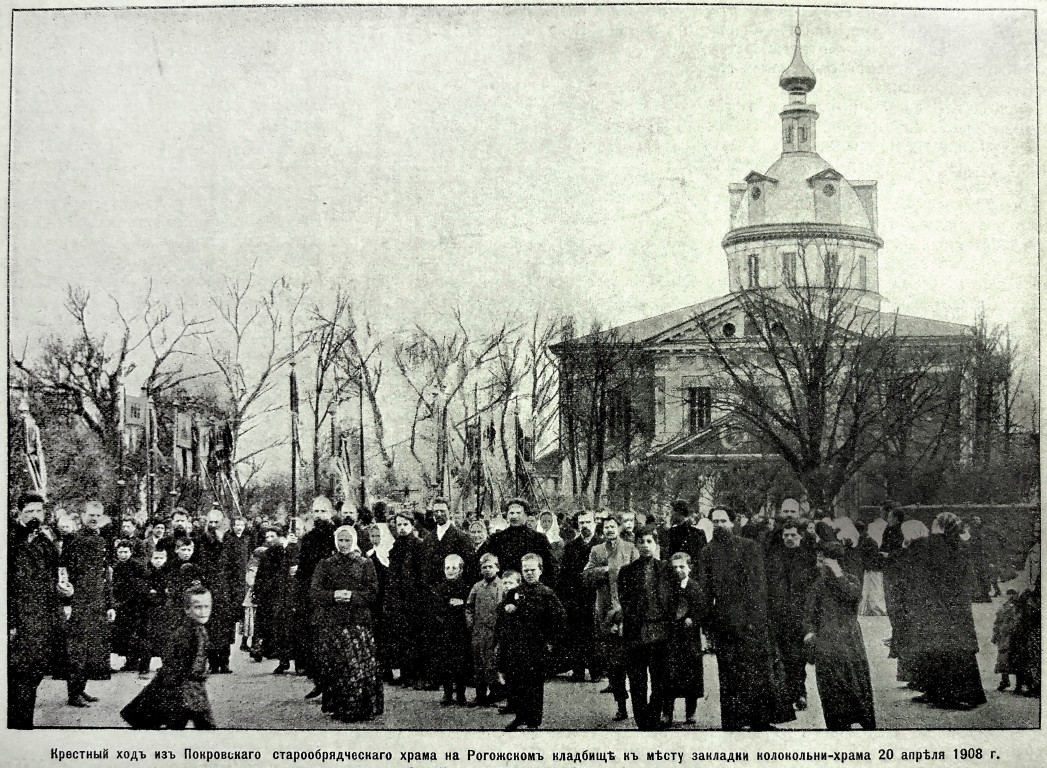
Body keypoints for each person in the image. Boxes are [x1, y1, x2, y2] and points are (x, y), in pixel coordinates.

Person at [696, 508, 793, 731]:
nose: (719, 525)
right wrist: (709, 626)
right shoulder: (707, 552)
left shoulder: (749, 547)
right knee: (729, 674)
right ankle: (733, 722)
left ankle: (761, 720)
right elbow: (705, 591)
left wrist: (756, 621)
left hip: (752, 622)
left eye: (723, 521)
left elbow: (759, 587)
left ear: (733, 523)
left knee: (757, 671)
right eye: (715, 521)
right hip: (725, 624)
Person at [9, 491, 73, 728]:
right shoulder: (10, 538)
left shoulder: (46, 541)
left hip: (44, 618)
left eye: (39, 511)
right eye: (30, 511)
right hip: (20, 618)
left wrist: (65, 590)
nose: (36, 516)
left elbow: (56, 575)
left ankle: (22, 724)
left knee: (33, 673)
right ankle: (18, 727)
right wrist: (11, 623)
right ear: (19, 512)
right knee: (20, 675)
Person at [910, 512, 986, 710]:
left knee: (943, 647)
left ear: (942, 527)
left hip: (942, 604)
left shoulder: (938, 544)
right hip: (954, 605)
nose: (932, 524)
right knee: (949, 647)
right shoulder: (958, 544)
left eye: (935, 522)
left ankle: (948, 694)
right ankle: (939, 691)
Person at [310, 525, 384, 722]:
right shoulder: (326, 564)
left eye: (347, 540)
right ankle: (340, 706)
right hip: (334, 622)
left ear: (354, 541)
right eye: (340, 541)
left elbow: (373, 593)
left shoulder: (365, 563)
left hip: (358, 623)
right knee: (338, 666)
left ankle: (361, 708)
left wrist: (352, 596)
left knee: (359, 667)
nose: (344, 544)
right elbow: (315, 592)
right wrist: (333, 595)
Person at [120, 585, 216, 729]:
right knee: (197, 724)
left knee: (191, 723)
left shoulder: (198, 629)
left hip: (191, 687)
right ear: (187, 609)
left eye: (207, 606)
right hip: (185, 689)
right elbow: (174, 663)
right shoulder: (185, 633)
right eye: (197, 607)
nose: (203, 612)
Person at [803, 542, 875, 730]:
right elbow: (809, 613)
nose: (821, 566)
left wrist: (838, 573)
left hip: (849, 640)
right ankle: (837, 727)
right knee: (830, 687)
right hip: (826, 641)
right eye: (819, 562)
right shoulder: (817, 585)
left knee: (855, 684)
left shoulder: (850, 579)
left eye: (825, 562)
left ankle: (864, 723)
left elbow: (853, 596)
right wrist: (809, 632)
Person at [495, 554, 566, 730]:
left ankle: (533, 721)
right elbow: (502, 612)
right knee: (516, 683)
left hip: (536, 647)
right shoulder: (516, 592)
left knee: (534, 686)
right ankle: (520, 716)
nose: (529, 573)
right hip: (516, 646)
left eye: (532, 570)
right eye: (525, 570)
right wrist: (506, 609)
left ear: (540, 571)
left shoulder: (547, 594)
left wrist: (551, 642)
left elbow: (560, 619)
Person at [616, 529, 677, 730]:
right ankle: (642, 720)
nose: (645, 545)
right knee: (637, 679)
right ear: (636, 544)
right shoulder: (627, 571)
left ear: (656, 544)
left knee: (661, 679)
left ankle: (654, 714)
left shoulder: (667, 570)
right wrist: (634, 619)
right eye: (640, 541)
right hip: (637, 632)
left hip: (661, 631)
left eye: (649, 541)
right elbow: (624, 600)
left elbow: (675, 599)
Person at [583, 514, 638, 722]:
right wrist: (604, 570)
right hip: (605, 609)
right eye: (605, 527)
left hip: (627, 610)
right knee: (614, 662)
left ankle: (638, 704)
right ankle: (621, 705)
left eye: (612, 526)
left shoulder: (630, 548)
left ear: (619, 527)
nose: (609, 530)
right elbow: (586, 575)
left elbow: (637, 576)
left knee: (631, 661)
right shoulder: (596, 550)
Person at [62, 500, 115, 708]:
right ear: (82, 515)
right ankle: (73, 693)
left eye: (98, 515)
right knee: (77, 648)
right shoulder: (73, 540)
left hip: (97, 601)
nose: (94, 519)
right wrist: (68, 601)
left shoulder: (101, 540)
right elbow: (64, 572)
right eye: (90, 515)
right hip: (80, 602)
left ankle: (80, 688)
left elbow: (105, 574)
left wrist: (110, 604)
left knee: (90, 648)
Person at [765, 520, 818, 712]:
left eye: (793, 535)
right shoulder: (773, 557)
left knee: (798, 657)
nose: (789, 538)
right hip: (778, 614)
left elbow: (813, 588)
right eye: (786, 535)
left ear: (801, 537)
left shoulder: (807, 558)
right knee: (781, 656)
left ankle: (800, 692)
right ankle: (785, 695)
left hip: (799, 615)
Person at [382, 509, 429, 688]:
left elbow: (422, 575)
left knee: (414, 638)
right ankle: (405, 673)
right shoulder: (396, 547)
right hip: (398, 599)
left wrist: (419, 597)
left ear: (412, 525)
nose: (401, 528)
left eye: (405, 524)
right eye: (398, 524)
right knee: (401, 637)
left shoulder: (418, 545)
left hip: (414, 598)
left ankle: (415, 675)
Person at [295, 498, 337, 690]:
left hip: (333, 594)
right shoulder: (309, 538)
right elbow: (303, 570)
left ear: (330, 512)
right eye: (316, 511)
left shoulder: (337, 535)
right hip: (313, 593)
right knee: (315, 637)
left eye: (323, 511)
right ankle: (319, 680)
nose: (319, 515)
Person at [559, 510, 603, 683]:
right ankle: (577, 670)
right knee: (576, 635)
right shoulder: (571, 546)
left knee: (594, 635)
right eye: (581, 523)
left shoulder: (600, 545)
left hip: (595, 596)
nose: (584, 526)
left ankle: (596, 670)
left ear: (594, 523)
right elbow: (565, 574)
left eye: (587, 522)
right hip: (576, 598)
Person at [252, 525, 299, 673]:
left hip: (288, 594)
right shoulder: (267, 555)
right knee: (278, 629)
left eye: (273, 537)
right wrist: (259, 591)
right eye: (267, 538)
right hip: (272, 595)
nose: (270, 540)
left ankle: (295, 661)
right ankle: (282, 659)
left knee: (289, 628)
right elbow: (260, 576)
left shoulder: (287, 551)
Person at [195, 509, 235, 674]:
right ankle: (212, 663)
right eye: (210, 522)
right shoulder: (200, 541)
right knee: (209, 627)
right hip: (208, 588)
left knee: (224, 628)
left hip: (224, 589)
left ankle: (224, 662)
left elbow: (234, 568)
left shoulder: (229, 541)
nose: (212, 526)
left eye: (215, 522)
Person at [665, 552, 703, 725]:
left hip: (689, 638)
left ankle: (691, 712)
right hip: (672, 636)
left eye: (682, 566)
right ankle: (667, 712)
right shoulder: (667, 587)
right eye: (675, 567)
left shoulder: (695, 587)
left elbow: (702, 608)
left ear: (690, 567)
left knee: (691, 673)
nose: (678, 570)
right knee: (669, 674)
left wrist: (693, 618)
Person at [482, 498, 553, 583]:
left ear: (526, 516)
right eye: (511, 513)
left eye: (518, 513)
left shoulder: (538, 538)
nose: (514, 516)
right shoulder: (496, 538)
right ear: (507, 515)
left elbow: (549, 566)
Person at [433, 554, 472, 706]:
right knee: (445, 664)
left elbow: (469, 605)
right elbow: (436, 608)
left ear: (460, 570)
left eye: (454, 568)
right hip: (444, 630)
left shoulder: (465, 588)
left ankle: (461, 695)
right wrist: (446, 607)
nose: (450, 570)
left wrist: (461, 603)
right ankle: (447, 694)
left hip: (460, 631)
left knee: (460, 664)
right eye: (447, 567)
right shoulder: (439, 588)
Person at [466, 553, 504, 707]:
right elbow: (469, 606)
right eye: (484, 567)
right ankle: (480, 695)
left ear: (497, 568)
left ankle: (496, 693)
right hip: (478, 632)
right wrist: (471, 624)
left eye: (490, 567)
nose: (487, 570)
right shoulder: (477, 586)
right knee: (478, 664)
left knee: (492, 664)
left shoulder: (501, 587)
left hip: (494, 633)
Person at [111, 540, 149, 673]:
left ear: (131, 552)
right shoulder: (117, 568)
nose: (123, 555)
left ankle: (135, 661)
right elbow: (115, 587)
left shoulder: (137, 566)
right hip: (122, 605)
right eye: (120, 552)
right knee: (124, 634)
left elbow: (141, 586)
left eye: (126, 552)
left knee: (135, 634)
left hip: (136, 605)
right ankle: (129, 660)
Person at [141, 546, 174, 678]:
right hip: (149, 609)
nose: (158, 561)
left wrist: (158, 592)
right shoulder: (146, 573)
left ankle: (166, 665)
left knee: (165, 638)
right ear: (151, 558)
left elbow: (168, 591)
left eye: (161, 558)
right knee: (147, 638)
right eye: (156, 558)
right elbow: (145, 590)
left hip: (164, 609)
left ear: (165, 559)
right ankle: (144, 666)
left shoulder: (168, 573)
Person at [223, 516, 252, 652]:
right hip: (233, 580)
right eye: (237, 525)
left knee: (245, 613)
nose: (239, 527)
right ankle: (229, 640)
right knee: (232, 611)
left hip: (244, 579)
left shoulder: (246, 540)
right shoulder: (229, 540)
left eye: (241, 525)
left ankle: (244, 641)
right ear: (233, 526)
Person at [992, 589, 1020, 691]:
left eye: (1013, 595)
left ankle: (1018, 684)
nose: (1011, 597)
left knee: (1015, 660)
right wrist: (995, 634)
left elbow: (1017, 622)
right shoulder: (1003, 608)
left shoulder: (1019, 608)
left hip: (1014, 638)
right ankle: (1004, 680)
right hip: (1004, 638)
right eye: (1009, 595)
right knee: (1003, 659)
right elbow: (997, 622)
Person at [856, 521, 887, 616]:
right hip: (872, 568)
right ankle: (872, 609)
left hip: (870, 569)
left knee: (870, 589)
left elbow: (871, 556)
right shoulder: (868, 540)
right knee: (872, 589)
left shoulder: (866, 541)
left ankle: (871, 609)